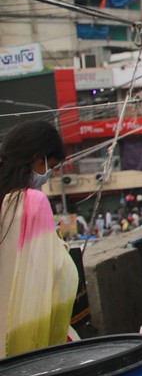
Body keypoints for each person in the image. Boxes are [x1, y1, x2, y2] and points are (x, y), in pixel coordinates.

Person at [0, 120, 76, 358]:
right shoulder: (33, 202)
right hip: (24, 337)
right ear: (36, 158)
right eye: (49, 166)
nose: (48, 174)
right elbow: (47, 273)